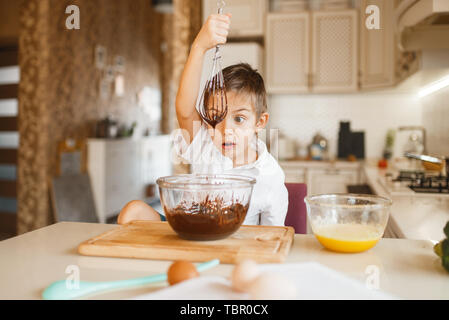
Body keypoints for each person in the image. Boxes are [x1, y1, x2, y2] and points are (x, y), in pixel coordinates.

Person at [118, 13, 288, 226]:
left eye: (239, 119)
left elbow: (271, 236)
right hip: (190, 233)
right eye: (217, 117)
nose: (225, 130)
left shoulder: (270, 176)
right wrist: (198, 47)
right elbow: (185, 111)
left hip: (234, 247)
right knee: (132, 212)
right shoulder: (204, 143)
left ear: (259, 123)